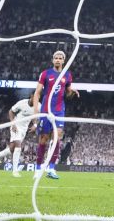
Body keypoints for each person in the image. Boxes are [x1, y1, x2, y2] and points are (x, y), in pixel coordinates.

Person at [33, 51, 79, 179]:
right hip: (46, 110)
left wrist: (72, 92)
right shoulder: (46, 74)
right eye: (56, 58)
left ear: (64, 60)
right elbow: (37, 92)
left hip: (59, 110)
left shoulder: (67, 75)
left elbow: (68, 93)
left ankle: (51, 168)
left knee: (57, 138)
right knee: (43, 139)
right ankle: (38, 168)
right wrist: (36, 111)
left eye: (60, 58)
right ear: (53, 60)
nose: (58, 60)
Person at [0, 93, 37, 177]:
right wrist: (13, 123)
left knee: (11, 149)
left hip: (24, 130)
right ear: (31, 96)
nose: (36, 99)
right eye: (35, 97)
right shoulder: (22, 103)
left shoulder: (38, 106)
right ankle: (15, 171)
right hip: (16, 126)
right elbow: (11, 111)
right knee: (18, 147)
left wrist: (35, 125)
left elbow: (35, 117)